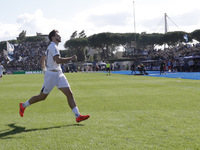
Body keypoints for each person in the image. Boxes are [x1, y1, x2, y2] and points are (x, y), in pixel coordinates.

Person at [19, 30, 90, 123]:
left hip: (58, 74)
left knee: (69, 93)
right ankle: (23, 105)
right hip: (51, 75)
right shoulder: (53, 46)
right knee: (42, 97)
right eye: (58, 35)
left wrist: (44, 70)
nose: (60, 36)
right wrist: (71, 58)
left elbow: (42, 60)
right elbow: (58, 60)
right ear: (53, 37)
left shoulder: (52, 47)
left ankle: (78, 116)